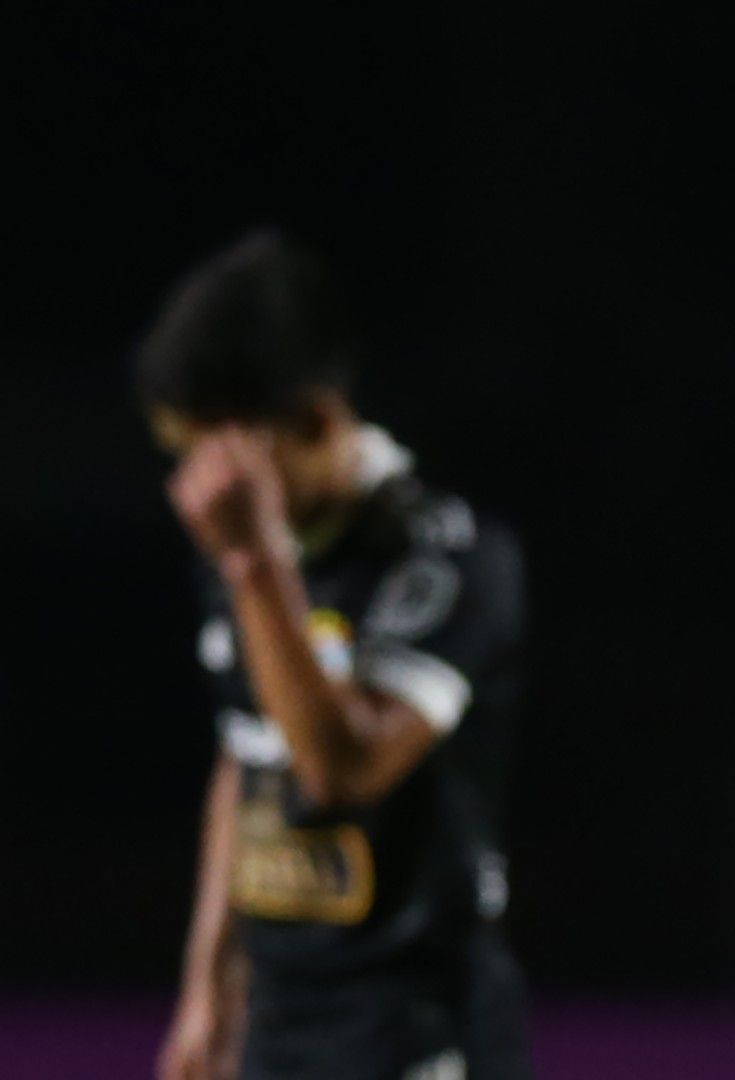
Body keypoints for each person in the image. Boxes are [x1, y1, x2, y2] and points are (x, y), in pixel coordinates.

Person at [141, 230, 532, 1080]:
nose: (198, 490)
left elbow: (341, 770)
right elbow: (247, 757)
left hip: (418, 1036)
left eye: (221, 454)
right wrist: (210, 987)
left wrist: (255, 565)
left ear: (314, 421)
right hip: (279, 1035)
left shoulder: (449, 560)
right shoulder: (245, 559)